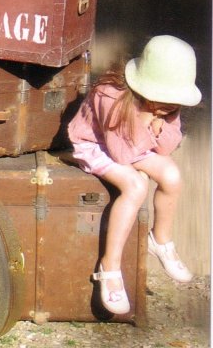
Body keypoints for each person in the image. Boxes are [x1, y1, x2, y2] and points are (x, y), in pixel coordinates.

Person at [68, 35, 201, 315]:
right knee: (135, 186)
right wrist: (147, 121)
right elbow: (121, 155)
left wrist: (159, 120)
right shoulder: (110, 95)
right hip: (97, 146)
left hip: (135, 144)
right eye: (164, 102)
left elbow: (165, 148)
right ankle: (110, 266)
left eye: (175, 103)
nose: (170, 108)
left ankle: (160, 240)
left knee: (172, 175)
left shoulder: (167, 104)